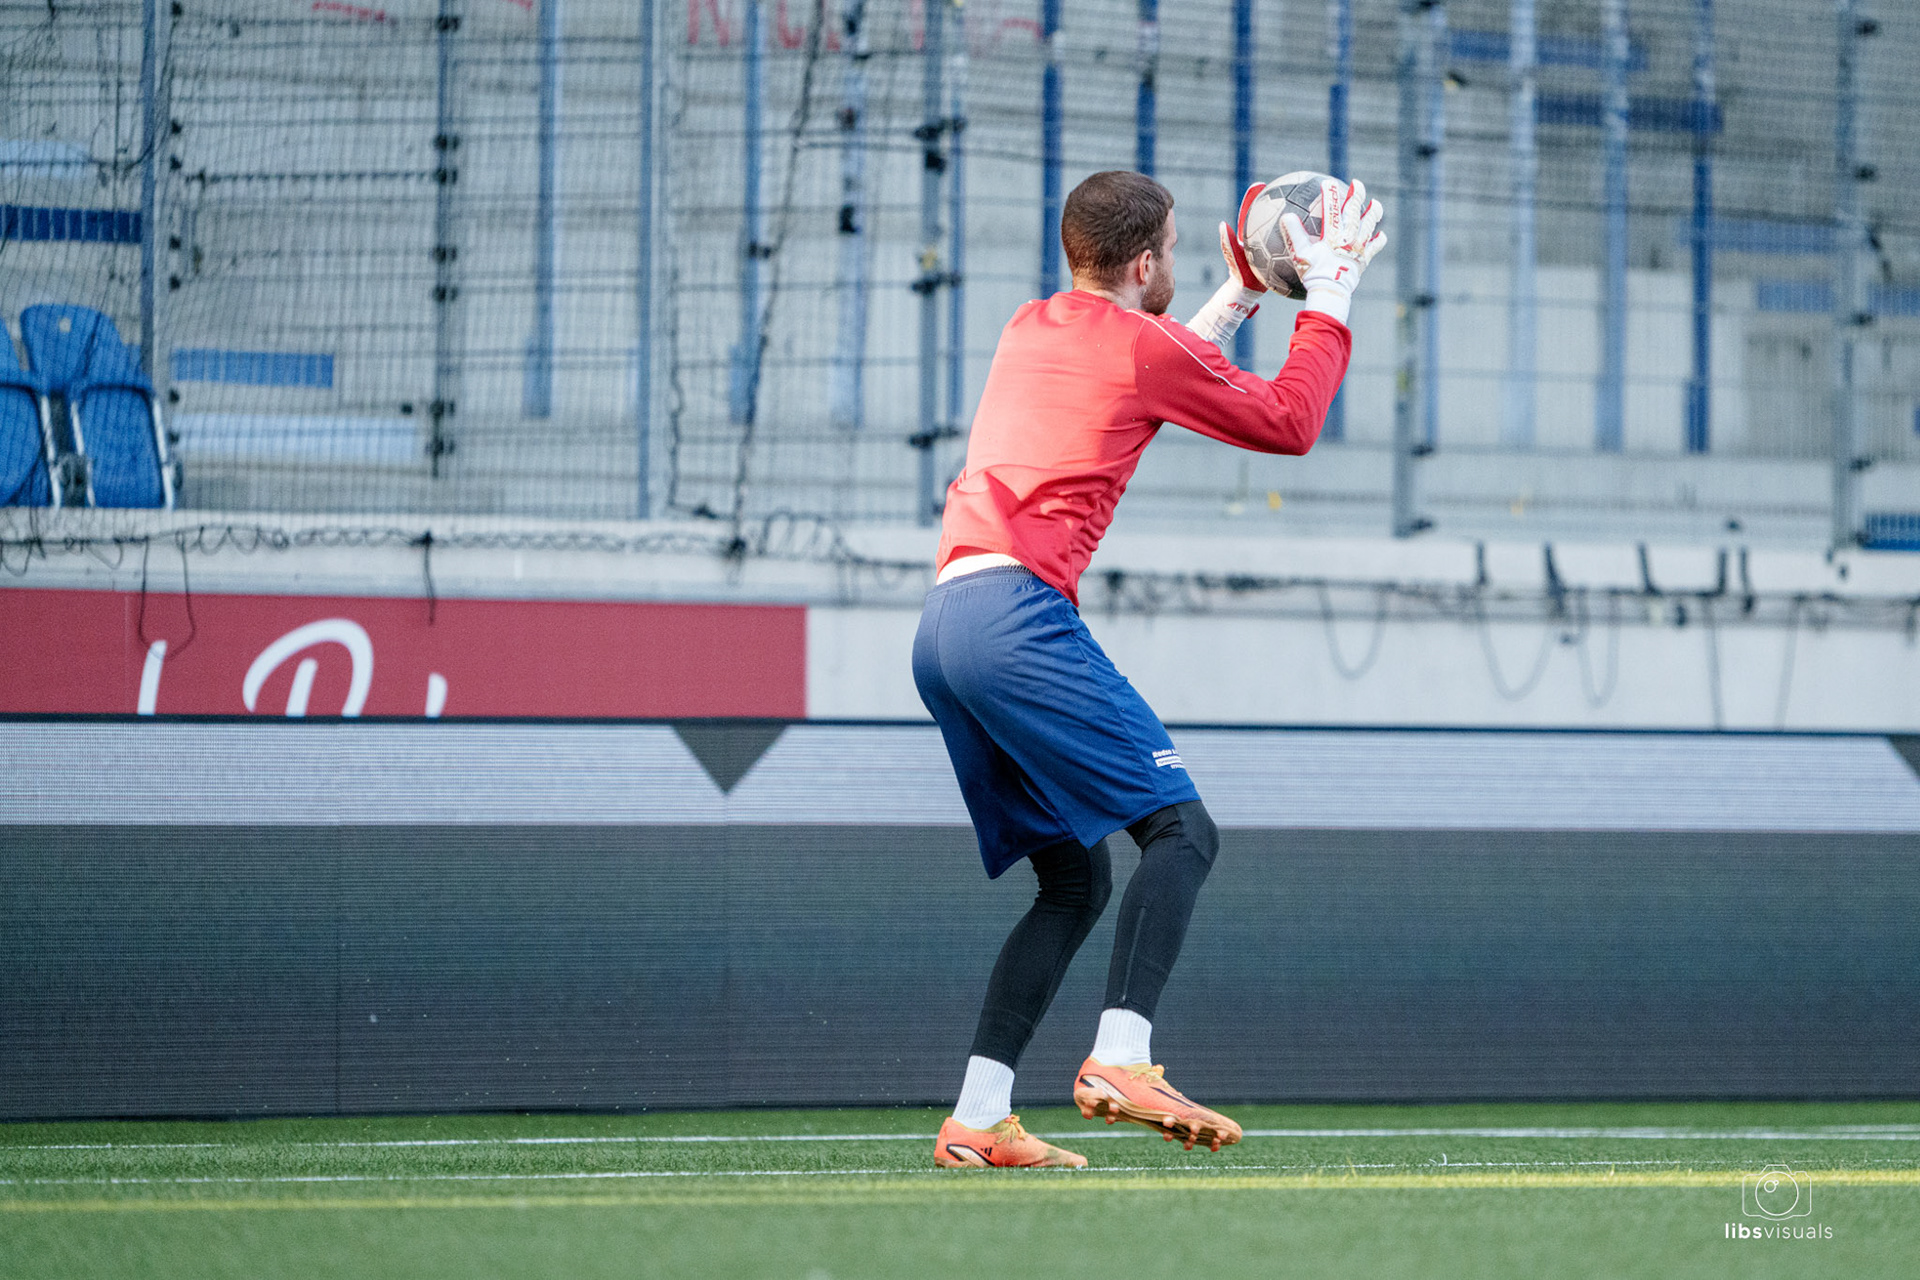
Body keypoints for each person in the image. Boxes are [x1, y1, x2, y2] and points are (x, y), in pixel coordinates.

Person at [914, 169, 1386, 1169]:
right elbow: (1290, 421)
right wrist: (1332, 289)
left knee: (1072, 879)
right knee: (1182, 831)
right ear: (1142, 264)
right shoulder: (1142, 346)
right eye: (1170, 249)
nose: (1176, 261)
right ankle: (1122, 1057)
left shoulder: (1032, 325)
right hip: (1016, 620)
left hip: (945, 624)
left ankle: (977, 1116)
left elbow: (1151, 365)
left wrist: (1244, 294)